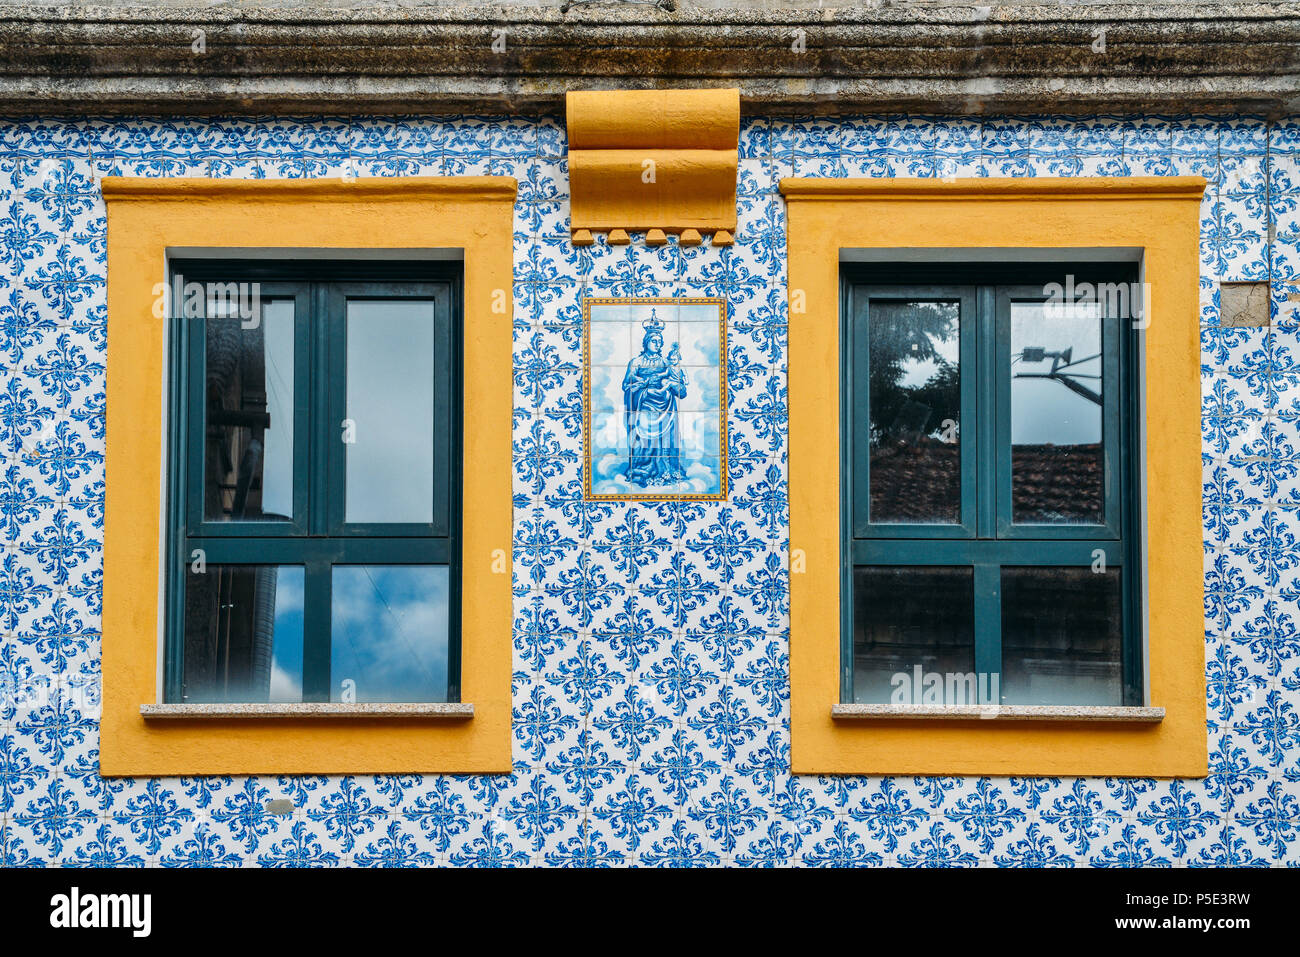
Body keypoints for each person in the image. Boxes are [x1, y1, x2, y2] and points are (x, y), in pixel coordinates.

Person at [621, 311, 687, 485]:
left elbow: (682, 390)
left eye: (660, 342)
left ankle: (664, 469)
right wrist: (644, 386)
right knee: (644, 438)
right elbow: (626, 386)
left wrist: (673, 385)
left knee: (664, 441)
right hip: (645, 405)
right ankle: (642, 468)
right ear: (646, 342)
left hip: (666, 408)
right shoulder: (636, 362)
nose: (657, 344)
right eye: (654, 341)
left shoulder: (667, 362)